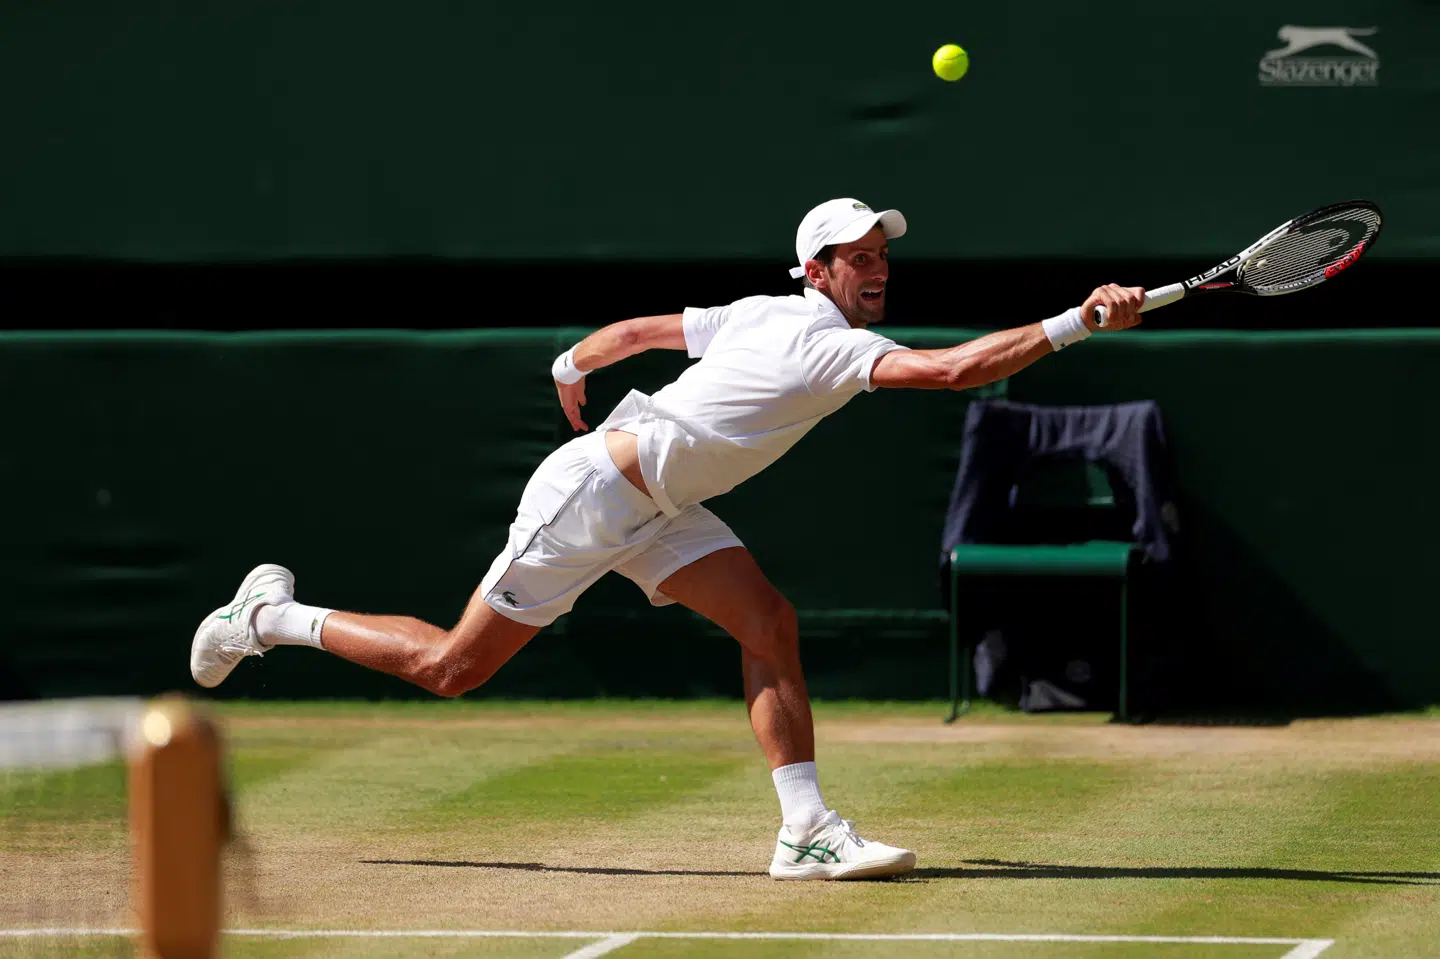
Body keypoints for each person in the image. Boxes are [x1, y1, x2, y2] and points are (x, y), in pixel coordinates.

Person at [190, 197, 1145, 880]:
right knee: (452, 668)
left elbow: (645, 330)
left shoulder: (760, 313)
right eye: (857, 255)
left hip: (659, 508)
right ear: (818, 271)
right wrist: (1075, 322)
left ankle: (805, 830)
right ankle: (271, 616)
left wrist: (571, 361)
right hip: (594, 497)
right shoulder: (819, 337)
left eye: (880, 252)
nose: (877, 265)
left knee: (768, 621)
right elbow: (950, 371)